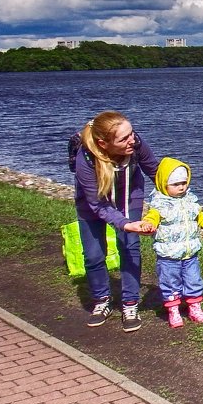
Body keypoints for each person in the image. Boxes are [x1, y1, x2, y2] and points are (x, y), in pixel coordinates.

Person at [73, 110, 160, 332]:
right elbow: (97, 205)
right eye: (124, 139)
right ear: (103, 144)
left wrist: (179, 199)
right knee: (93, 254)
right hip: (92, 204)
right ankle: (102, 300)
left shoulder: (136, 143)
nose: (133, 140)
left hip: (128, 196)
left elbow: (156, 172)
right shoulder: (86, 159)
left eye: (131, 133)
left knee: (130, 246)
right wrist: (123, 223)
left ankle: (130, 303)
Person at [144, 157, 203, 328]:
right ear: (164, 184)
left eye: (184, 183)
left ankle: (194, 307)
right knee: (170, 281)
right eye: (175, 184)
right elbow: (152, 217)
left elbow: (200, 218)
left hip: (189, 252)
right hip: (168, 254)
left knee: (193, 280)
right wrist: (149, 224)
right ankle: (173, 309)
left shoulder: (190, 201)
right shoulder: (159, 204)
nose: (181, 187)